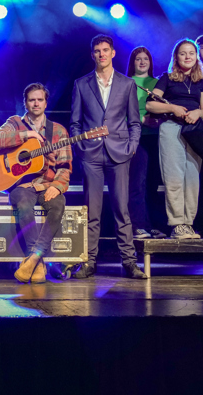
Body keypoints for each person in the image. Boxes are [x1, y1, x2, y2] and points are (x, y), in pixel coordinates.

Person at [70, 34, 146, 279]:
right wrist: (81, 148)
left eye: (105, 50)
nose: (101, 54)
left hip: (119, 153)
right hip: (91, 155)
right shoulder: (81, 84)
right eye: (97, 51)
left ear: (113, 53)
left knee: (121, 210)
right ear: (92, 55)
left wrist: (132, 146)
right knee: (91, 211)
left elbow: (135, 122)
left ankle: (129, 263)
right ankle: (89, 262)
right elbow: (75, 123)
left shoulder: (127, 84)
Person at [0, 83, 72, 283]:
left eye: (40, 100)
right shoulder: (15, 123)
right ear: (25, 103)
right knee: (24, 205)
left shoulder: (58, 131)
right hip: (22, 187)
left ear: (46, 102)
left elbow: (64, 167)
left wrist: (57, 186)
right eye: (32, 100)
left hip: (46, 185)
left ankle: (33, 258)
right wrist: (27, 135)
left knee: (59, 204)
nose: (36, 103)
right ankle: (38, 262)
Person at [146, 38, 203, 239]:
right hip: (171, 128)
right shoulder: (167, 78)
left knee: (192, 178)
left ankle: (188, 223)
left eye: (191, 53)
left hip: (195, 131)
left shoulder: (201, 80)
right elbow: (151, 105)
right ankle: (177, 223)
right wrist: (172, 108)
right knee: (174, 177)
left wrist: (198, 112)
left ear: (196, 57)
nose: (187, 56)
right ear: (176, 57)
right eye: (183, 53)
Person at [126, 47, 167, 239]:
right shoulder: (126, 83)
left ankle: (154, 225)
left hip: (157, 137)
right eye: (138, 59)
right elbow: (120, 111)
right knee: (137, 183)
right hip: (136, 137)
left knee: (154, 184)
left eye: (146, 59)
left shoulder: (158, 82)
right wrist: (142, 120)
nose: (142, 62)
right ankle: (138, 225)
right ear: (132, 62)